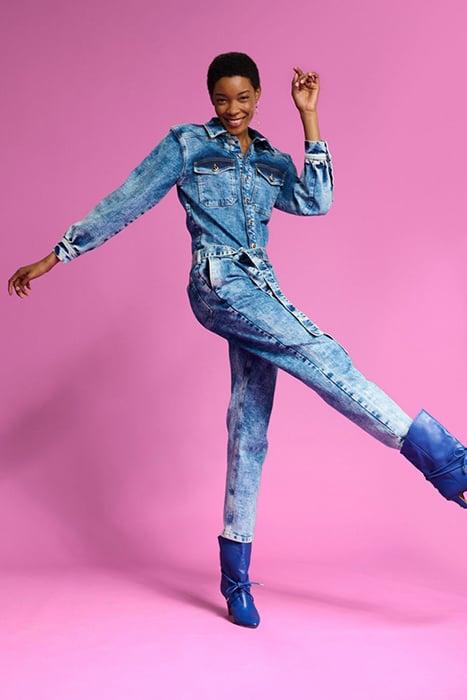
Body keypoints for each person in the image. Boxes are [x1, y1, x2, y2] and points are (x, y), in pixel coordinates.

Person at [8, 52, 467, 629]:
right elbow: (125, 201)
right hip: (218, 283)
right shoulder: (187, 145)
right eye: (222, 99)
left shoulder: (271, 158)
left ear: (258, 96)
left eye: (243, 98)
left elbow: (316, 201)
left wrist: (309, 117)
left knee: (249, 429)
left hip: (262, 288)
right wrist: (57, 254)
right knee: (323, 354)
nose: (233, 109)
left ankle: (235, 579)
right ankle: (447, 463)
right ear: (210, 98)